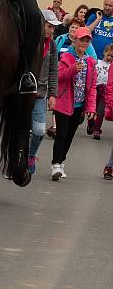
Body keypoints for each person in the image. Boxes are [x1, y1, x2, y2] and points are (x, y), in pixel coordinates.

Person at [52, 26, 96, 181]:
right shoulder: (66, 57)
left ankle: (61, 162)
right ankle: (56, 164)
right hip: (64, 102)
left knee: (70, 136)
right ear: (75, 40)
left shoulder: (90, 62)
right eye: (81, 40)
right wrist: (73, 69)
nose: (84, 43)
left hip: (79, 105)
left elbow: (92, 88)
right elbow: (58, 77)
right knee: (62, 134)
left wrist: (91, 107)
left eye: (87, 40)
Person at [27, 10, 59, 174]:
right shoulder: (30, 40)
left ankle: (30, 155)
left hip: (40, 94)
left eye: (53, 28)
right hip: (24, 92)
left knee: (39, 130)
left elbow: (54, 70)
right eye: (48, 26)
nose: (50, 30)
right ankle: (16, 160)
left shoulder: (52, 45)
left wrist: (53, 94)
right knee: (20, 129)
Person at [87, 43, 113, 140]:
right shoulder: (97, 63)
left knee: (100, 112)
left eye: (112, 56)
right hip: (95, 89)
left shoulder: (112, 66)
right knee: (92, 109)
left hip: (105, 91)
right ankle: (90, 124)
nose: (110, 57)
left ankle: (97, 130)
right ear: (104, 53)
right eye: (108, 55)